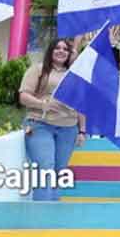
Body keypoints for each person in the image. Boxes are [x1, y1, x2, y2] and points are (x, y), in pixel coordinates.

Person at [18, 38, 86, 201]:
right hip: (40, 125)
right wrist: (41, 104)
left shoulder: (75, 75)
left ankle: (52, 211)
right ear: (50, 51)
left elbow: (82, 104)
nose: (61, 51)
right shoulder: (38, 70)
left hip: (68, 128)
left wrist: (82, 130)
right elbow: (23, 96)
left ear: (70, 54)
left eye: (65, 49)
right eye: (57, 48)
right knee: (45, 167)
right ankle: (42, 214)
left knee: (59, 171)